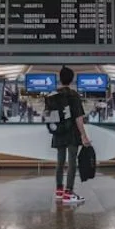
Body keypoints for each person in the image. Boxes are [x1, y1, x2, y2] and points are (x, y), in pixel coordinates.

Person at [50, 66, 91, 204]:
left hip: (59, 132)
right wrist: (84, 135)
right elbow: (78, 118)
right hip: (72, 133)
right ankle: (68, 193)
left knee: (60, 162)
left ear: (60, 79)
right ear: (72, 79)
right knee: (72, 162)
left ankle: (59, 191)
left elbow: (49, 116)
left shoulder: (53, 95)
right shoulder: (74, 95)